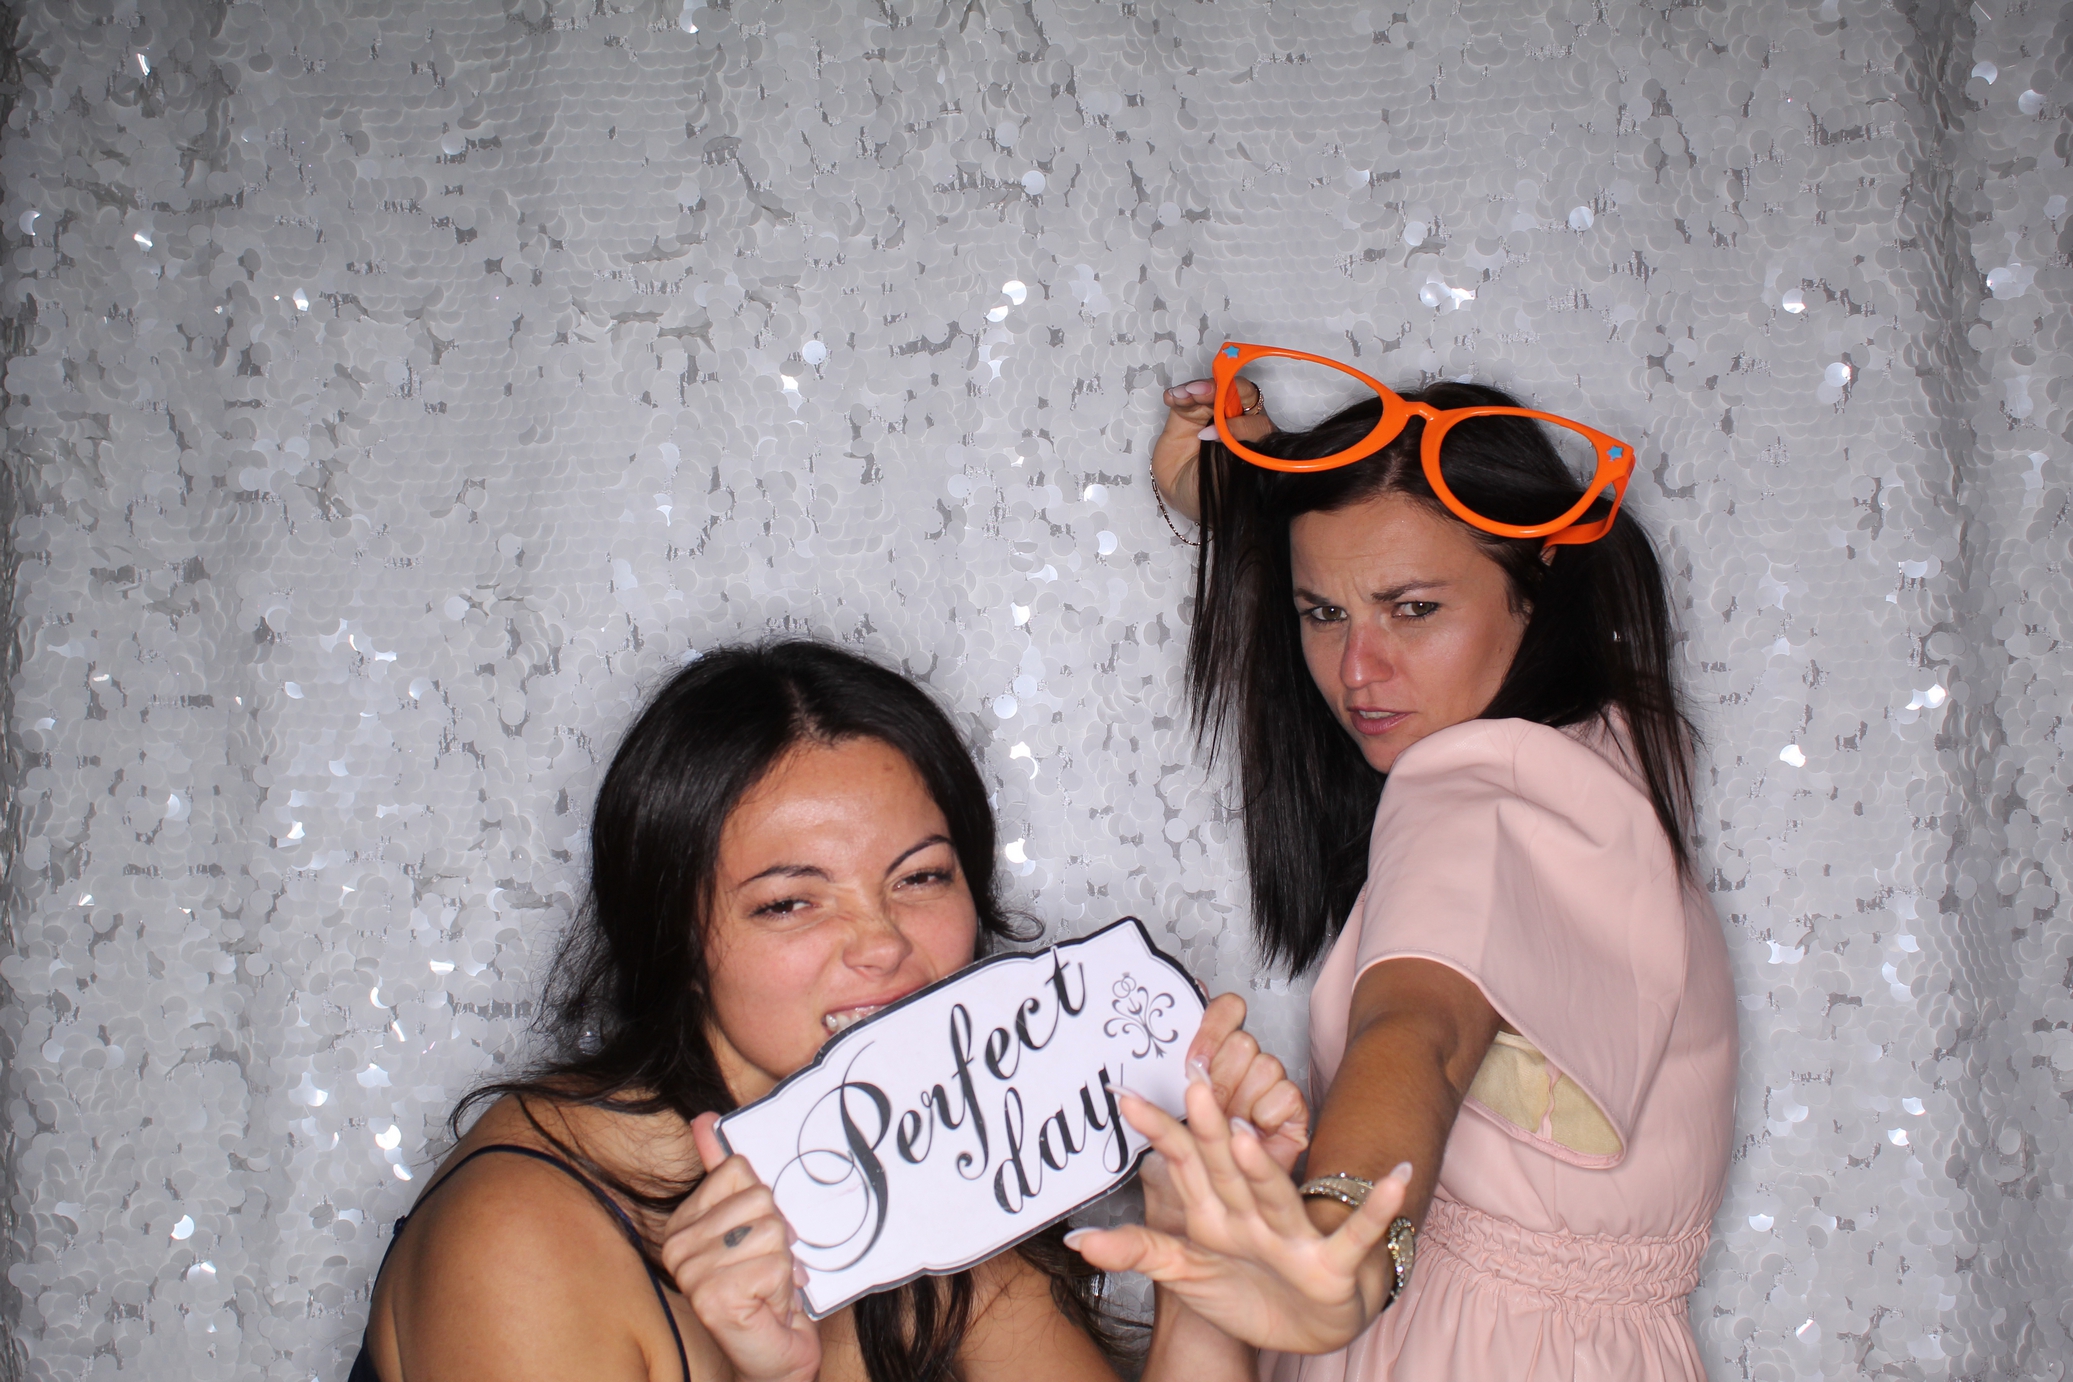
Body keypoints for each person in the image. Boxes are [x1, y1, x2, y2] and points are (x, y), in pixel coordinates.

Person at [349, 640, 1310, 1382]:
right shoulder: (519, 1240)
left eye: (921, 877)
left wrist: (1200, 1252)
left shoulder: (926, 1151)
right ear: (674, 938)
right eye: (788, 903)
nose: (881, 944)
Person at [1066, 352, 1737, 1381]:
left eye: (1414, 610)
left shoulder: (1472, 786)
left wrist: (1337, 1240)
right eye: (1321, 613)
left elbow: (1418, 1029)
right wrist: (1249, 504)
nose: (1356, 669)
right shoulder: (1607, 764)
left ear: (1541, 582)